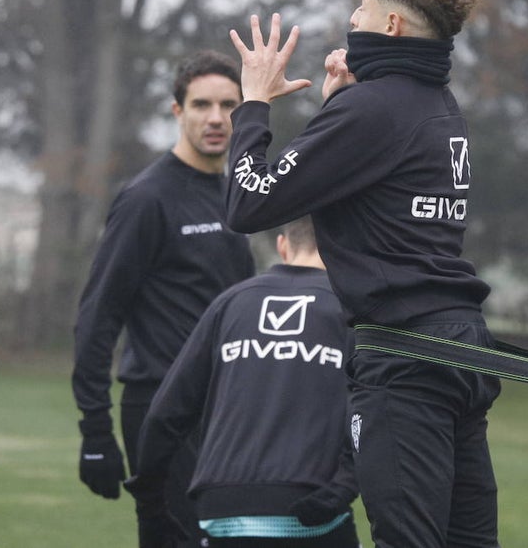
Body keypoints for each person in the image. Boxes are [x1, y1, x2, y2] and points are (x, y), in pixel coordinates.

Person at [223, 0, 502, 548]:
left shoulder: (372, 111)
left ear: (393, 24)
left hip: (405, 363)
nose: (353, 19)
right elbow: (371, 186)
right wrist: (336, 113)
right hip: (460, 348)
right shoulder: (438, 104)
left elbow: (249, 201)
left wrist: (253, 104)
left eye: (365, 7)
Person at [72, 50, 257, 547]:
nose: (216, 118)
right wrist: (95, 431)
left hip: (224, 411)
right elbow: (98, 314)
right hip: (161, 408)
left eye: (229, 106)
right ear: (178, 112)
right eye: (201, 105)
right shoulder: (146, 199)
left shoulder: (233, 194)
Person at [124, 216, 359, 548]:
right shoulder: (354, 311)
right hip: (310, 505)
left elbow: (166, 414)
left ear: (282, 245)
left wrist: (150, 506)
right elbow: (373, 417)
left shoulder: (230, 302)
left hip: (219, 507)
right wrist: (345, 487)